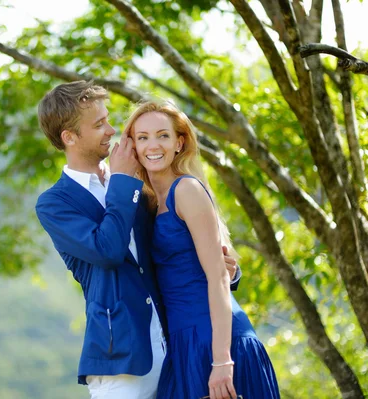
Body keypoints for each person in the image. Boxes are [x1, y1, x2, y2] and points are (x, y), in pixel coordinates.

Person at [34, 81, 240, 399]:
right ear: (69, 137)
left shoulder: (137, 184)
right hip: (120, 363)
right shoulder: (55, 203)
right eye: (99, 124)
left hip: (176, 348)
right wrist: (120, 180)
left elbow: (172, 252)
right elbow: (108, 249)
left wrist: (226, 270)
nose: (111, 130)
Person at [123, 100, 280, 399]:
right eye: (142, 137)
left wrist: (222, 360)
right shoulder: (147, 203)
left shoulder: (187, 190)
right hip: (182, 343)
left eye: (163, 135)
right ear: (132, 146)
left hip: (217, 341)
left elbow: (219, 277)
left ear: (180, 143)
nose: (152, 145)